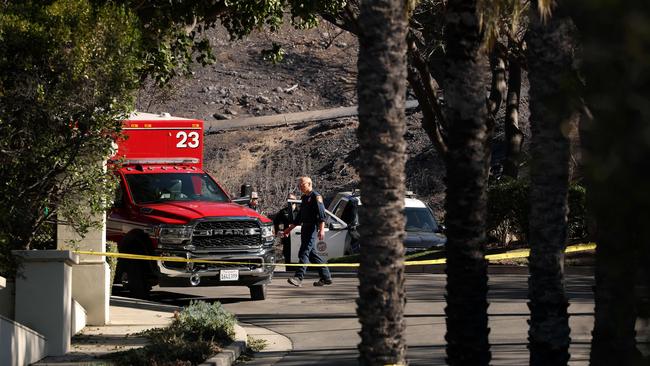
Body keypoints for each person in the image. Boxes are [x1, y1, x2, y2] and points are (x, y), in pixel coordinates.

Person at [285, 176, 333, 287]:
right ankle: (326, 277)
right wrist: (287, 230)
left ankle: (298, 277)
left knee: (304, 252)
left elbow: (322, 215)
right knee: (311, 255)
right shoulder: (304, 198)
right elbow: (299, 218)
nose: (300, 187)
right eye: (299, 185)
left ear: (309, 184)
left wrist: (321, 230)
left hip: (312, 228)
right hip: (304, 228)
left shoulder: (316, 197)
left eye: (303, 184)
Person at [273, 193, 299, 264]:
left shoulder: (300, 211)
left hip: (298, 236)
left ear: (296, 200)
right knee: (287, 254)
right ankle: (288, 271)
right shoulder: (283, 211)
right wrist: (278, 231)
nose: (290, 201)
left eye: (292, 199)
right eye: (288, 199)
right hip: (287, 236)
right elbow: (276, 222)